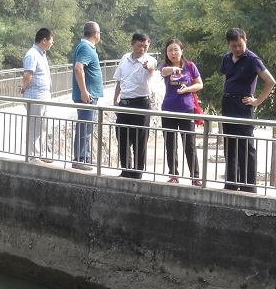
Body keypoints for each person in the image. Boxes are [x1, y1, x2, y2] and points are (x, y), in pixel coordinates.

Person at [220, 28, 276, 193]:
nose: (238, 49)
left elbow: (270, 81)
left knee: (245, 146)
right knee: (230, 144)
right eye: (234, 46)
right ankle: (231, 183)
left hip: (243, 106)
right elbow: (226, 78)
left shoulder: (252, 59)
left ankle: (248, 186)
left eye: (240, 45)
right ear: (228, 44)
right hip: (228, 104)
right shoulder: (226, 58)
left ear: (245, 41)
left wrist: (257, 101)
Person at [112, 33, 157, 179]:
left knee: (140, 139)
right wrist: (115, 99)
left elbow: (151, 68)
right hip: (124, 103)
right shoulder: (125, 58)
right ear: (132, 44)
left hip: (141, 103)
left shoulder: (149, 60)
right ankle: (125, 170)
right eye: (139, 45)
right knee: (122, 137)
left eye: (145, 46)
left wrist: (148, 67)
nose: (142, 49)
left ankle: (137, 172)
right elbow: (119, 80)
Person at [160, 38, 203, 185]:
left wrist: (188, 89)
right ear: (166, 53)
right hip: (168, 110)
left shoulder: (190, 66)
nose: (173, 53)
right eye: (170, 50)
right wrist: (173, 69)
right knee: (170, 144)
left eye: (176, 50)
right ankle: (173, 175)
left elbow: (199, 84)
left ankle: (195, 177)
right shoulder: (165, 67)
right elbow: (163, 72)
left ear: (181, 51)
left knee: (189, 145)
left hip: (186, 109)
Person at [71, 21, 103, 171]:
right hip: (87, 97)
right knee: (85, 127)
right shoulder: (85, 47)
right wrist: (84, 91)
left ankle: (85, 157)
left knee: (87, 127)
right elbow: (78, 68)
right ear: (96, 33)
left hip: (89, 95)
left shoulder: (84, 46)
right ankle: (80, 159)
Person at [20, 28, 54, 163]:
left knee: (43, 126)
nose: (52, 43)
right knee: (35, 126)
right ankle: (33, 155)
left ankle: (40, 153)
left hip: (43, 96)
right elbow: (27, 75)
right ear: (44, 40)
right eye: (51, 40)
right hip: (35, 96)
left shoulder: (41, 54)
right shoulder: (32, 54)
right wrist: (23, 87)